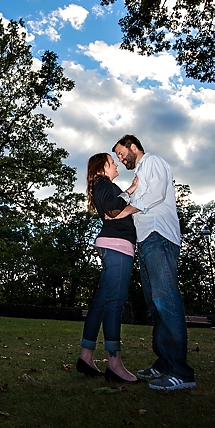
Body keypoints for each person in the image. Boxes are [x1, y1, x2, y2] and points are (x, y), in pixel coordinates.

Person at [108, 134, 196, 390]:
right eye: (117, 156)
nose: (120, 158)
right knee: (155, 305)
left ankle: (180, 371)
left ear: (133, 146)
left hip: (160, 235)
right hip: (146, 240)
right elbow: (132, 199)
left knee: (165, 300)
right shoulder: (140, 175)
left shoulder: (153, 162)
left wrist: (123, 212)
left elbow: (155, 195)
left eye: (121, 152)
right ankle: (164, 362)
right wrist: (127, 194)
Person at [76, 152, 138, 383]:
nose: (117, 165)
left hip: (114, 245)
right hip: (117, 247)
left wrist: (133, 201)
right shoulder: (103, 183)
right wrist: (132, 191)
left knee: (102, 303)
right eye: (112, 163)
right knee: (115, 303)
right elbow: (113, 210)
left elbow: (115, 211)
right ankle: (114, 363)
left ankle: (86, 356)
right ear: (102, 168)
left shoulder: (103, 185)